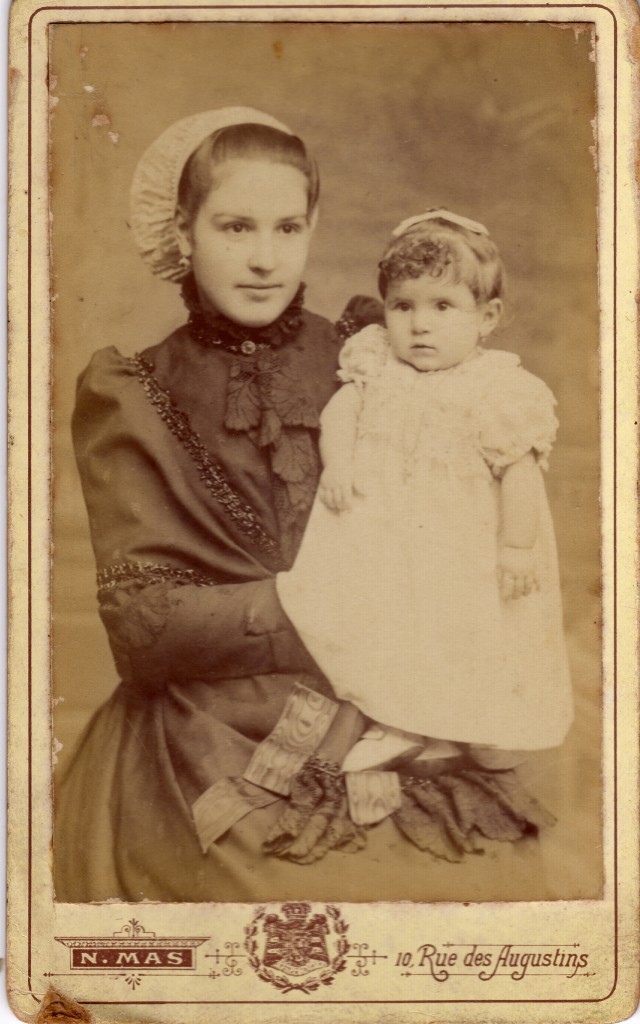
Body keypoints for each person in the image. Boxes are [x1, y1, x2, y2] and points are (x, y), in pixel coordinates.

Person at [55, 114, 557, 904]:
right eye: (233, 226)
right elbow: (142, 626)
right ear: (182, 232)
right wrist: (324, 602)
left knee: (496, 889)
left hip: (399, 695)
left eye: (288, 227)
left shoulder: (373, 354)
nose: (264, 258)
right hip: (206, 720)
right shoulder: (134, 392)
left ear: (314, 227)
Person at [277, 210, 573, 772]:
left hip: (464, 547)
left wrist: (516, 547)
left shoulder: (499, 388)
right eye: (403, 306)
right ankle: (400, 722)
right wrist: (337, 463)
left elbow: (520, 472)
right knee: (396, 627)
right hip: (388, 534)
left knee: (469, 635)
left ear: (487, 317)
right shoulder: (378, 362)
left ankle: (474, 725)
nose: (419, 325)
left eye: (443, 307)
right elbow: (343, 409)